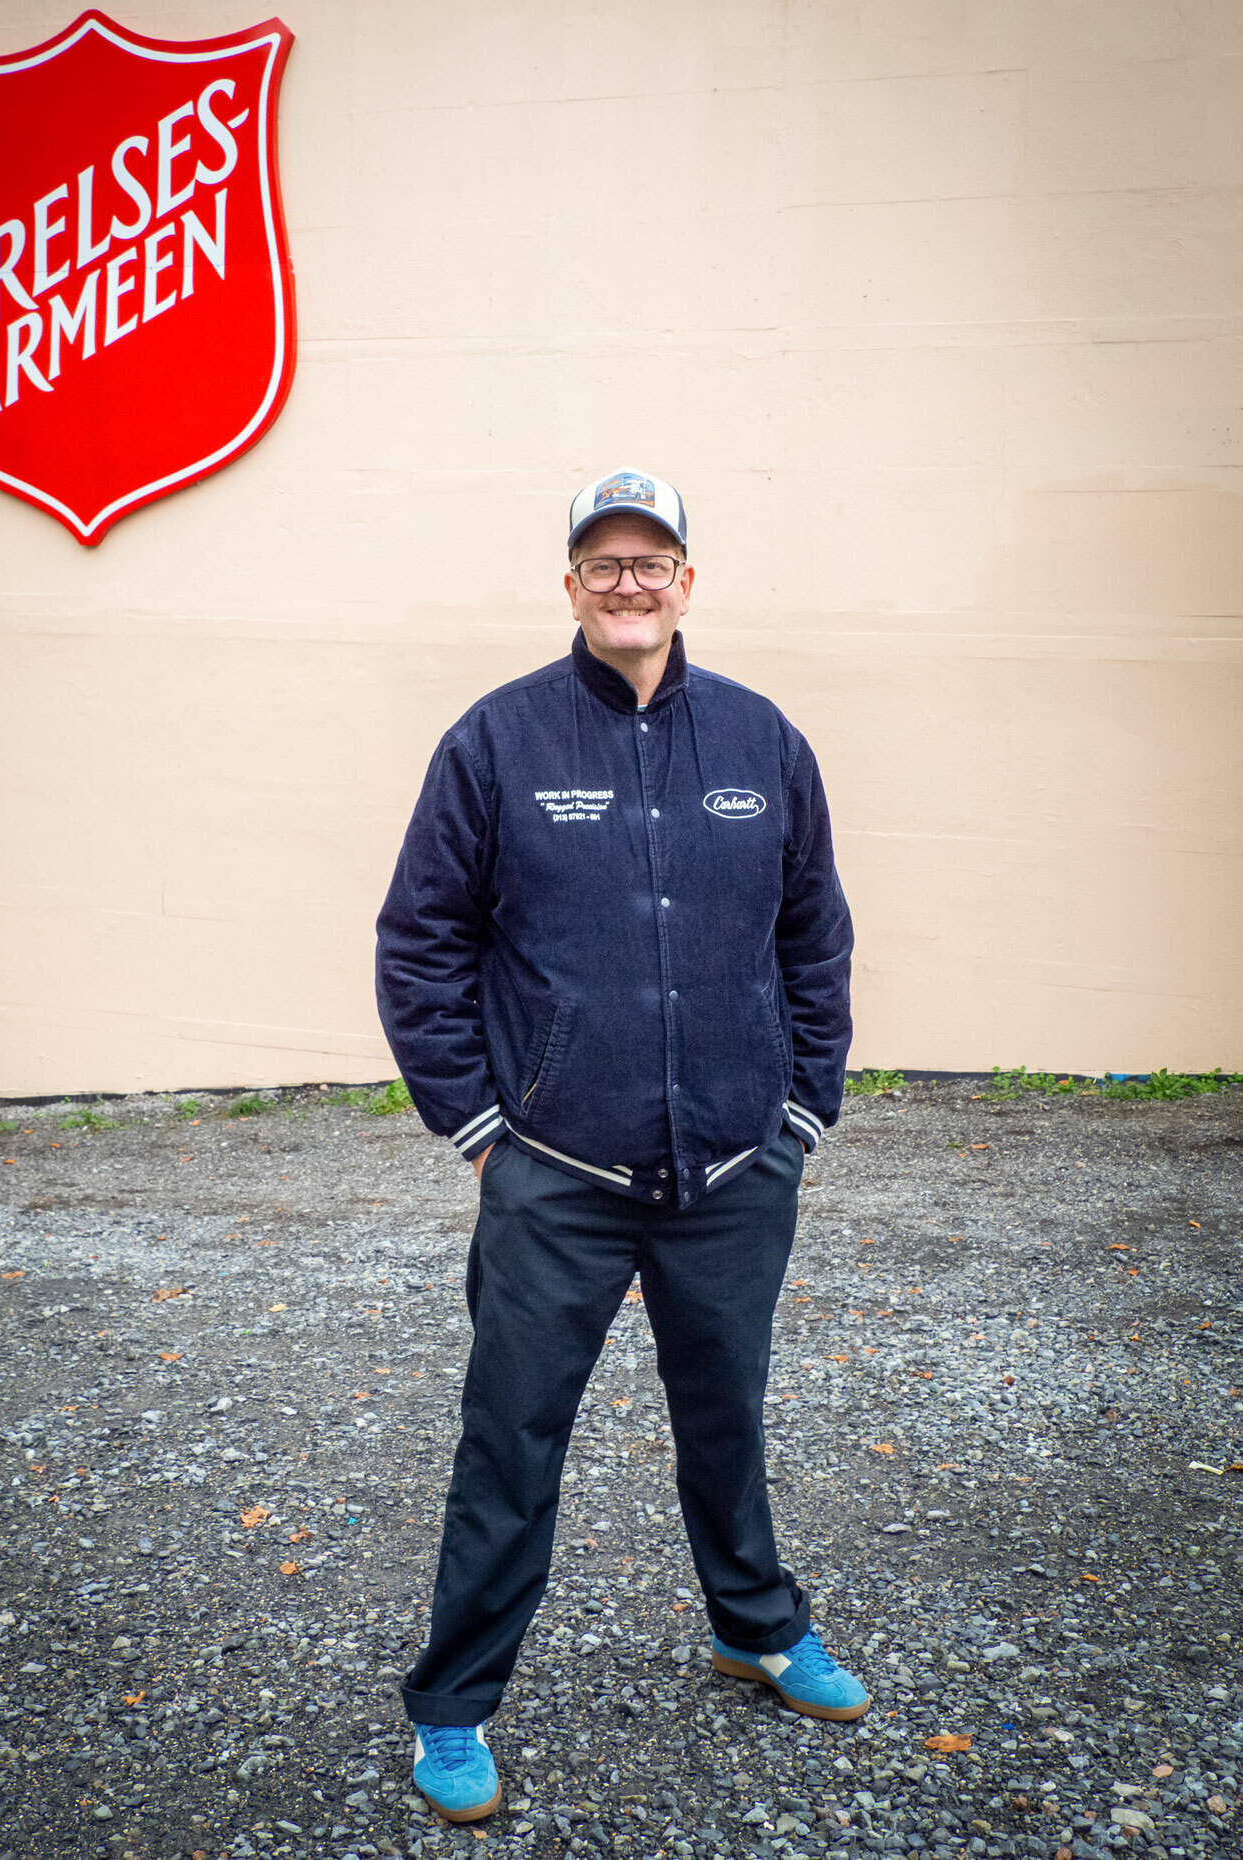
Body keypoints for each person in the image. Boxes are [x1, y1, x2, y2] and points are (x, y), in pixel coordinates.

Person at [375, 466, 867, 1823]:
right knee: (511, 1440)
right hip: (558, 1178)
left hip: (730, 1172)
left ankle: (755, 1624)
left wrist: (800, 1110)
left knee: (725, 1419)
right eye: (604, 561)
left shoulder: (761, 743)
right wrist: (481, 1129)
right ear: (573, 584)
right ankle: (455, 1706)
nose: (629, 581)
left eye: (653, 560)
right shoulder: (498, 742)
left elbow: (812, 938)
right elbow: (419, 942)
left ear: (686, 581)